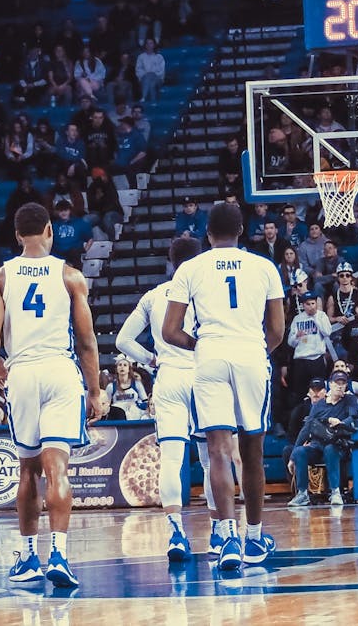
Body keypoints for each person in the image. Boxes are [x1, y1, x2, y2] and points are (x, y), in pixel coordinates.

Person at [0, 202, 102, 588]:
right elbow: (86, 341)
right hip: (60, 372)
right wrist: (95, 390)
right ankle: (61, 556)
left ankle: (29, 556)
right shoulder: (71, 276)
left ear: (17, 235)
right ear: (50, 230)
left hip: (24, 373)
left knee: (28, 471)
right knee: (58, 470)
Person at [162, 203, 285, 571]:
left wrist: (197, 345)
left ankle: (227, 537)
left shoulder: (191, 267)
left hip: (210, 355)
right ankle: (255, 537)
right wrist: (256, 347)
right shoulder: (264, 266)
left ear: (207, 234)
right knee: (252, 450)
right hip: (250, 355)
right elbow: (277, 330)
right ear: (243, 230)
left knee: (216, 449)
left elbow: (170, 330)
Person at [116, 236, 225, 560]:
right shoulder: (210, 289)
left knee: (173, 459)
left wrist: (149, 358)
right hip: (203, 375)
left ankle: (176, 533)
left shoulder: (154, 295)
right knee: (211, 460)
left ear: (170, 261)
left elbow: (123, 340)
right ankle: (219, 533)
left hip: (169, 377)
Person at [287, 371, 358, 507]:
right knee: (299, 452)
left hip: (338, 444)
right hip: (317, 445)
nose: (340, 386)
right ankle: (302, 494)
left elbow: (354, 419)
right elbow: (306, 429)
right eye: (337, 383)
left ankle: (335, 492)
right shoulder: (318, 405)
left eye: (343, 383)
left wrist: (341, 422)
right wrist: (292, 457)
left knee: (330, 449)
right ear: (330, 385)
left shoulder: (350, 400)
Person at [104, 355, 149, 420]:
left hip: (134, 415)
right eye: (120, 365)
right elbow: (106, 405)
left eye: (125, 365)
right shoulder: (111, 387)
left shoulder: (137, 384)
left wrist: (137, 405)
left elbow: (145, 402)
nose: (122, 367)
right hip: (118, 416)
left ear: (129, 369)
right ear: (116, 369)